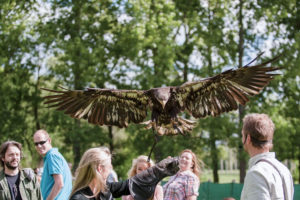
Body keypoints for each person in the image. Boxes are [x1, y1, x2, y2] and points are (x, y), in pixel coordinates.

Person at [69, 147, 179, 200]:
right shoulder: (79, 198)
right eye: (109, 165)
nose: (111, 168)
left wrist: (157, 170)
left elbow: (133, 183)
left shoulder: (105, 189)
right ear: (99, 169)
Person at [240, 113, 294, 200]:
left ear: (248, 138)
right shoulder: (284, 170)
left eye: (242, 135)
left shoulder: (256, 173)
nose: (241, 139)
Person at [34, 129, 73, 200]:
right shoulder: (53, 156)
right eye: (36, 144)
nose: (39, 146)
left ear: (49, 140)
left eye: (42, 142)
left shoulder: (52, 156)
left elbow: (59, 184)